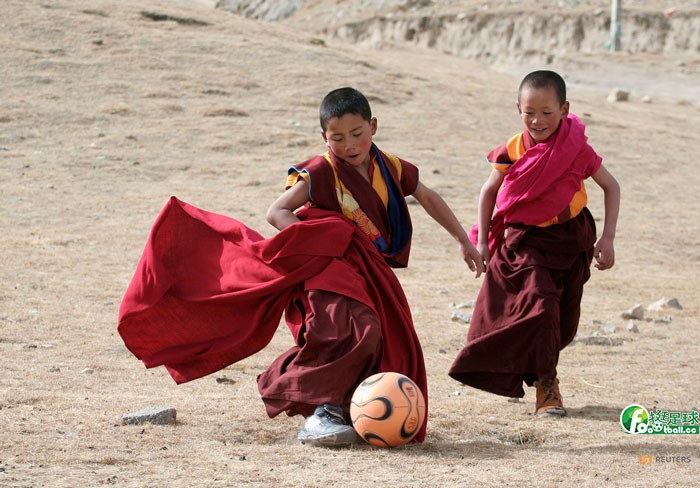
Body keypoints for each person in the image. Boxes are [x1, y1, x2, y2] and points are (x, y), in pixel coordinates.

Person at [117, 87, 483, 448]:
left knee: (384, 337)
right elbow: (276, 212)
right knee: (344, 328)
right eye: (337, 138)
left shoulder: (391, 166)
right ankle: (318, 412)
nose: (349, 145)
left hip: (368, 266)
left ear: (373, 125)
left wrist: (462, 240)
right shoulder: (320, 170)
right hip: (327, 266)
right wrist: (321, 240)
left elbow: (427, 196)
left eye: (357, 134)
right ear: (324, 137)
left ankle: (352, 409)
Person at [448, 70, 620, 417]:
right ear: (518, 109)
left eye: (547, 112)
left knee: (562, 320)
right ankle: (547, 386)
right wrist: (481, 243)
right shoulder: (512, 150)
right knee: (540, 306)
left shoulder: (576, 147)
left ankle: (537, 363)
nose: (537, 121)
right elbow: (488, 193)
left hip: (571, 239)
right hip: (526, 242)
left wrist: (608, 237)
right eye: (529, 112)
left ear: (564, 108)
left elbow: (611, 187)